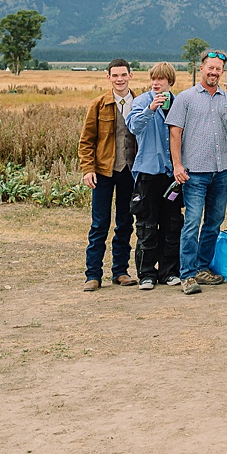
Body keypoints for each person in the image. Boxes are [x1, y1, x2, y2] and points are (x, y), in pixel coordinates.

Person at [167, 50, 227, 295]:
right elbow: (175, 133)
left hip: (221, 170)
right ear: (201, 69)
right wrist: (177, 165)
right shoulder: (186, 98)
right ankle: (187, 275)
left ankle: (202, 268)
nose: (214, 72)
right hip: (195, 172)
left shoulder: (226, 98)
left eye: (218, 69)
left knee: (214, 222)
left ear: (222, 72)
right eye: (210, 67)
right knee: (192, 223)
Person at [78, 58, 139, 291]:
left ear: (130, 76)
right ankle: (93, 275)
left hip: (130, 172)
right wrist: (88, 169)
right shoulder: (98, 104)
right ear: (108, 77)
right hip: (103, 171)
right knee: (99, 224)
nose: (119, 79)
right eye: (115, 75)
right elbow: (86, 141)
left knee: (125, 223)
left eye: (123, 75)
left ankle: (120, 272)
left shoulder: (140, 102)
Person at [125, 62, 182, 289]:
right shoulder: (141, 101)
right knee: (147, 226)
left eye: (161, 79)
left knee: (172, 224)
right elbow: (133, 127)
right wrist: (150, 109)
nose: (156, 83)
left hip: (172, 174)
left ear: (170, 82)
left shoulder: (178, 103)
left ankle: (169, 272)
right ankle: (146, 273)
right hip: (148, 173)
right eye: (153, 79)